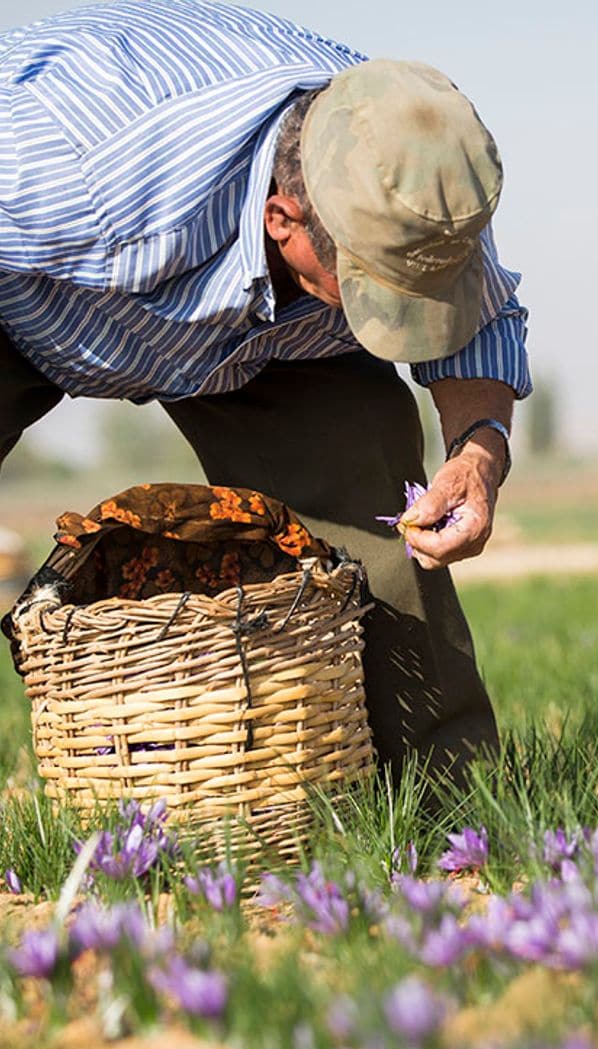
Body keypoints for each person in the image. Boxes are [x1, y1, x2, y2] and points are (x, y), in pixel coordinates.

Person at [0, 0, 531, 785]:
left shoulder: (420, 178)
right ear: (284, 220)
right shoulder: (68, 161)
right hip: (33, 308)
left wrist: (480, 451)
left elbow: (482, 323)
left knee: (368, 493)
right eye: (372, 292)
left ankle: (448, 809)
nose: (400, 317)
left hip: (268, 342)